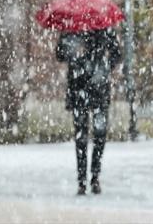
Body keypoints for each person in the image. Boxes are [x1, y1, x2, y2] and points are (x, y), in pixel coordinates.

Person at [56, 27, 121, 195]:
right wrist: (73, 52)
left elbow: (116, 54)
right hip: (79, 89)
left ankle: (94, 176)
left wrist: (103, 66)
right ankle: (83, 180)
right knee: (81, 136)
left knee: (99, 134)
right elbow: (60, 55)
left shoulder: (104, 29)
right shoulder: (71, 30)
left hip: (98, 88)